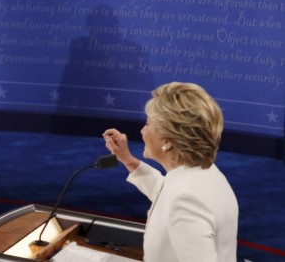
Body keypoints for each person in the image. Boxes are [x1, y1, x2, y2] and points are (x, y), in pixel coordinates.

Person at [102, 82, 238, 262]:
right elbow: (166, 191)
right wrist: (127, 159)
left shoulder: (187, 201)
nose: (143, 131)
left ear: (167, 140)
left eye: (148, 124)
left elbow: (178, 200)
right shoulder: (204, 173)